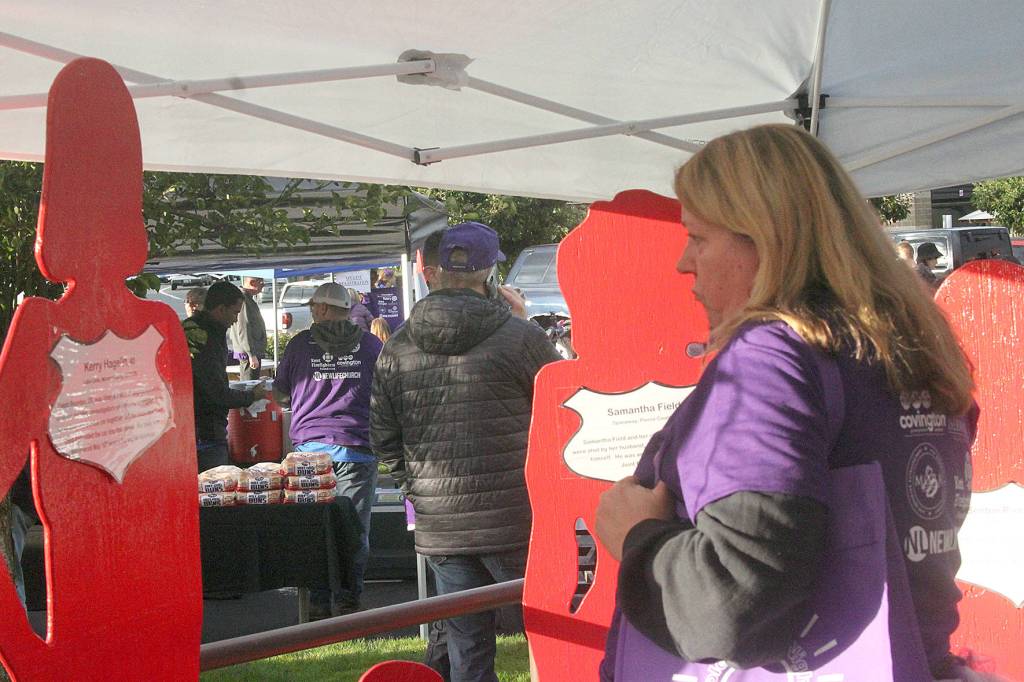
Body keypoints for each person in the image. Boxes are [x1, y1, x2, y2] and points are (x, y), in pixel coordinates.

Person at [595, 124, 978, 680]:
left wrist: (637, 538)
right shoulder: (912, 345)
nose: (684, 262)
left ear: (764, 240)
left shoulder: (773, 355)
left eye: (698, 237)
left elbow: (730, 605)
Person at [371, 222, 561, 682]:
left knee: (467, 647)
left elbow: (383, 436)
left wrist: (418, 488)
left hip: (442, 523)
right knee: (553, 636)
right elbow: (565, 410)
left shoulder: (396, 347)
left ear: (434, 272)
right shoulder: (521, 338)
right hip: (516, 515)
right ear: (489, 273)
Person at [272, 282, 384, 618]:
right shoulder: (371, 345)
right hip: (356, 450)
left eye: (311, 307)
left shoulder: (299, 346)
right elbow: (389, 392)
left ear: (321, 309)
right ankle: (349, 601)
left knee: (315, 531)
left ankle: (319, 605)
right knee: (353, 530)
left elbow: (280, 396)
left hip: (310, 454)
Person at [183, 280, 266, 472]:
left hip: (194, 428)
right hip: (204, 432)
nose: (236, 320)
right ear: (221, 309)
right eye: (235, 312)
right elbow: (215, 392)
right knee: (214, 492)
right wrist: (251, 396)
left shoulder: (196, 328)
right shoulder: (205, 336)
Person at [227, 275, 267, 380]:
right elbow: (243, 328)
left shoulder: (248, 299)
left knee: (251, 384)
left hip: (251, 352)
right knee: (249, 385)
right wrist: (251, 354)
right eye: (261, 282)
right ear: (252, 283)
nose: (263, 285)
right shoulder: (243, 301)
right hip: (248, 353)